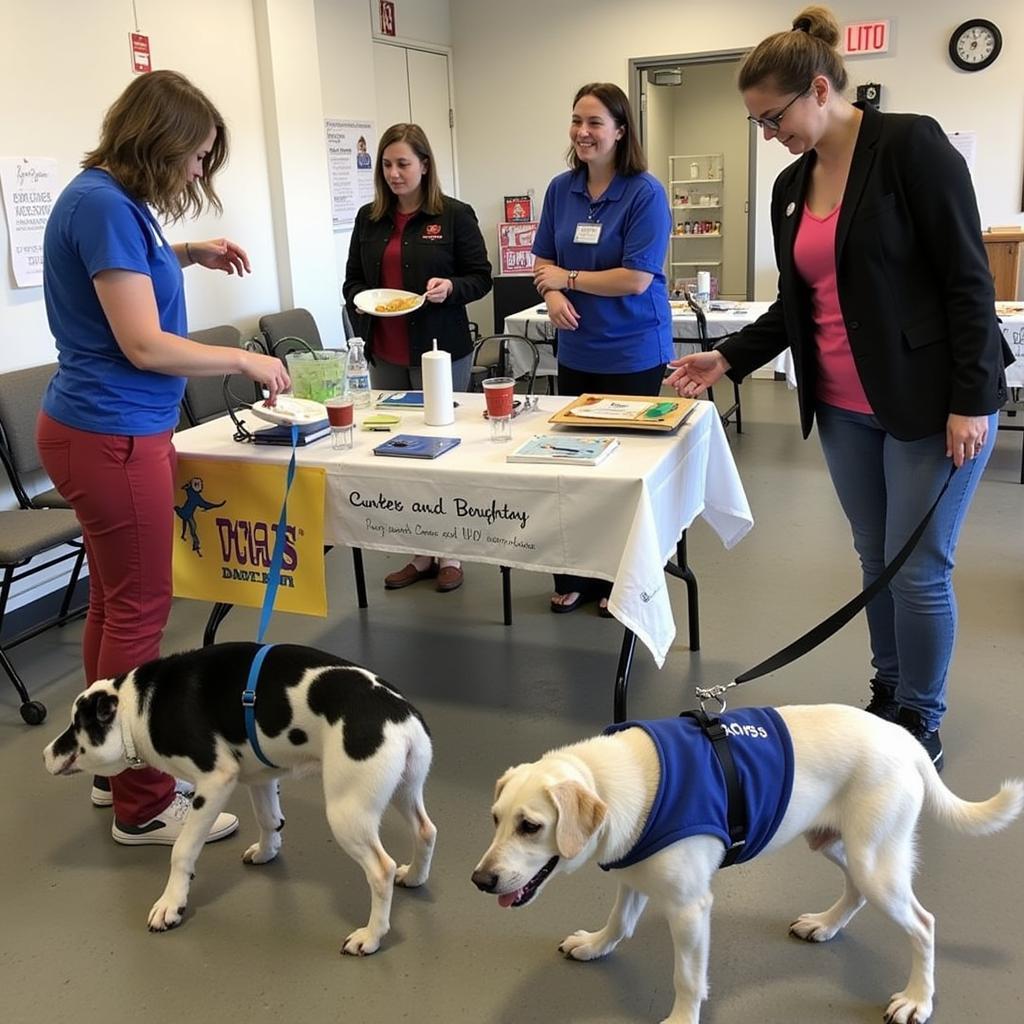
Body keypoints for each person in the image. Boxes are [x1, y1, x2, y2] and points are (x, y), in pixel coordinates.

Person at [666, 6, 1012, 771]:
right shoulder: (792, 184)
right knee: (874, 557)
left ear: (819, 89)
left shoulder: (910, 146)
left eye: (771, 117)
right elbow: (800, 304)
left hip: (930, 405)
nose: (767, 134)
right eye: (757, 122)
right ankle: (888, 692)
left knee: (918, 567)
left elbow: (967, 281)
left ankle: (921, 718)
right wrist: (727, 358)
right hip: (847, 409)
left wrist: (973, 399)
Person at [36, 70, 290, 843]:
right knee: (140, 615)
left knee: (114, 604)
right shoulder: (106, 207)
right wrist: (241, 361)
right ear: (160, 142)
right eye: (196, 156)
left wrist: (187, 250)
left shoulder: (104, 200)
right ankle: (147, 803)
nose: (198, 173)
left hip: (90, 428)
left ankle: (108, 764)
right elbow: (143, 344)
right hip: (113, 437)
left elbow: (122, 274)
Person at [532, 82, 673, 614]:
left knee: (626, 474)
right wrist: (550, 293)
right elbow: (540, 262)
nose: (583, 133)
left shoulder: (645, 193)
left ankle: (627, 577)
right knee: (576, 466)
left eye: (595, 123)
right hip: (577, 350)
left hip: (633, 351)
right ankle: (579, 574)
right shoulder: (559, 189)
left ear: (619, 130)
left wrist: (566, 277)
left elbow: (636, 279)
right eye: (577, 121)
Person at [343, 122, 492, 594]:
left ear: (425, 165)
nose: (393, 173)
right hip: (384, 349)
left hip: (439, 348)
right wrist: (362, 298)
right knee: (398, 454)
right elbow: (350, 281)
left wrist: (450, 288)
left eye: (403, 163)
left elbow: (480, 277)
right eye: (386, 165)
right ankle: (419, 552)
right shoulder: (369, 219)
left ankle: (450, 552)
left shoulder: (454, 216)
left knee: (442, 449)